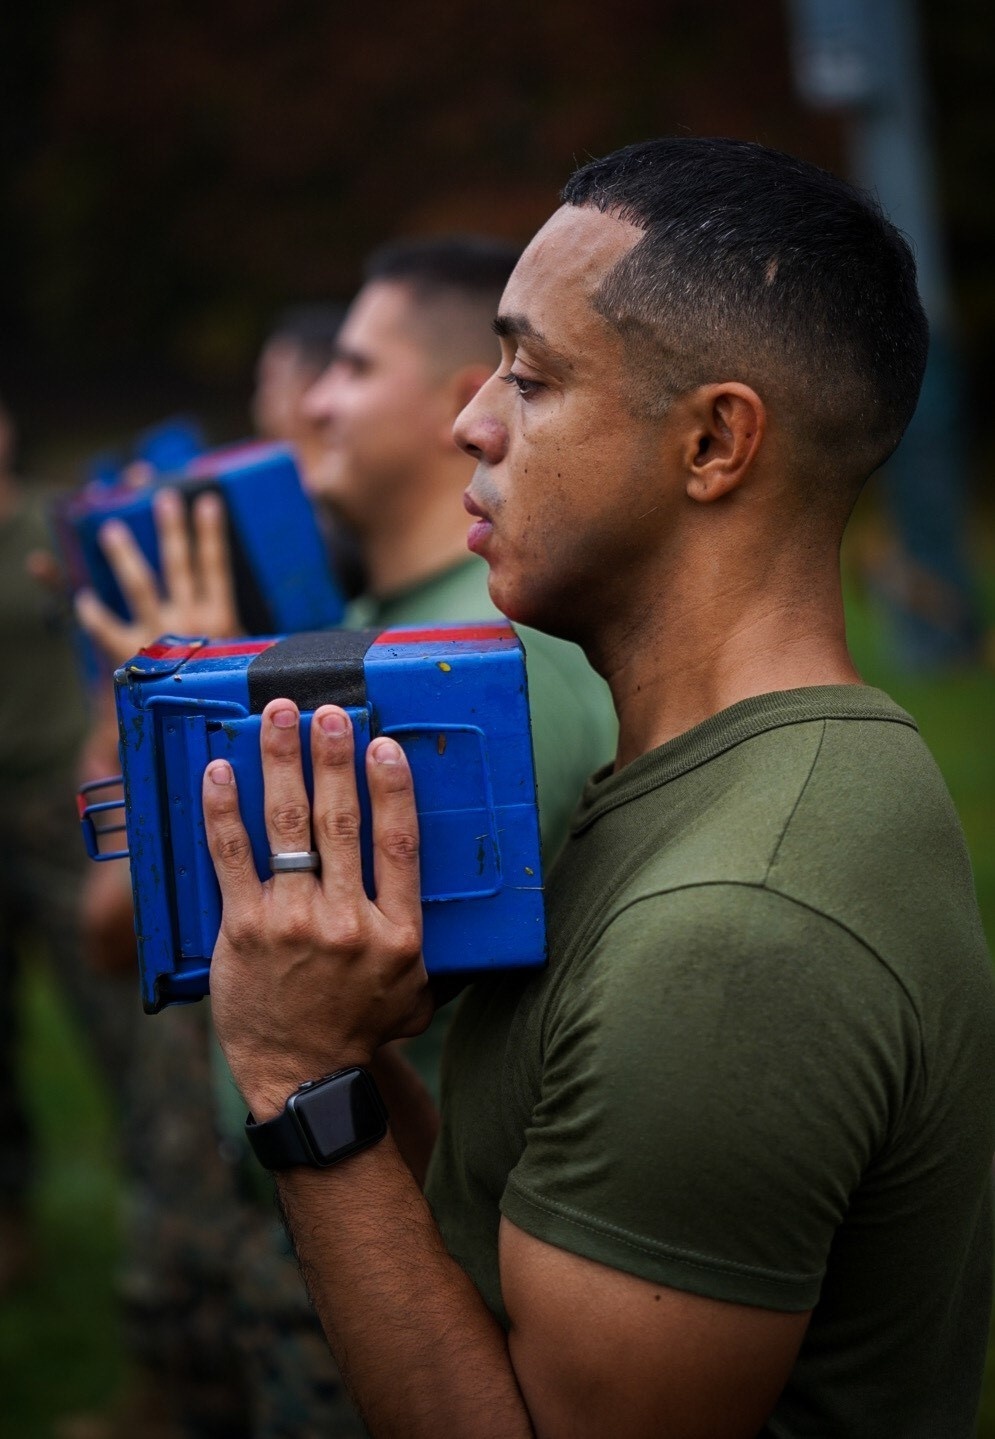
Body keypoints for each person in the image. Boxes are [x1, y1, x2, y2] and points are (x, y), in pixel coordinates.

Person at [201, 138, 995, 1439]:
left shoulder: (740, 928)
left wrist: (297, 1080)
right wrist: (339, 1035)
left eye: (530, 373)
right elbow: (499, 1219)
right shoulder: (738, 774)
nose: (471, 419)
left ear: (711, 441)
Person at [76, 238, 616, 1437]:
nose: (313, 398)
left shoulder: (484, 669)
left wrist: (177, 733)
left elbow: (135, 934)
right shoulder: (370, 631)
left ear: (445, 402)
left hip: (402, 1209)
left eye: (352, 367)